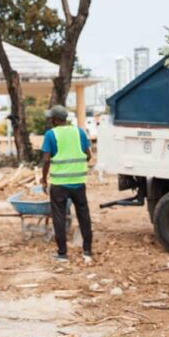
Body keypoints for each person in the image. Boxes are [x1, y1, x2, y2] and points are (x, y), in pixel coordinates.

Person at [41, 105, 94, 263]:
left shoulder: (51, 134)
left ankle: (62, 253)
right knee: (83, 215)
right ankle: (87, 251)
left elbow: (46, 159)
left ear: (56, 120)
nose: (49, 120)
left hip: (59, 184)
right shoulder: (79, 132)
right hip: (78, 182)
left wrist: (44, 179)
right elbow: (88, 155)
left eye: (51, 118)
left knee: (59, 217)